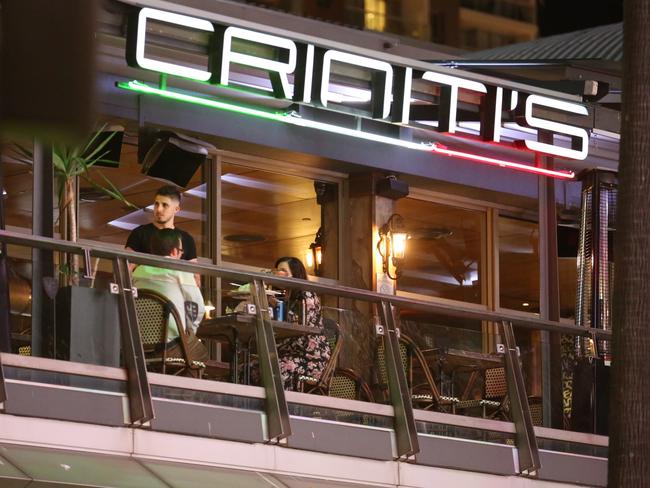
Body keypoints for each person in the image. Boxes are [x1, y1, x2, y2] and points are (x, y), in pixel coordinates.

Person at [132, 228, 208, 364]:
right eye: (181, 251)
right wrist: (190, 330)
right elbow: (196, 306)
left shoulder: (138, 271)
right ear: (174, 252)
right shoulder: (180, 271)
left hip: (139, 344)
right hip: (171, 345)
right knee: (201, 354)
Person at [272, 256, 331, 390]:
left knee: (277, 369)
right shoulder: (283, 295)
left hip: (311, 359)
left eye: (283, 270)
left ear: (295, 274)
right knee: (251, 367)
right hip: (290, 354)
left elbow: (302, 327)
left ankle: (284, 409)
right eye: (277, 270)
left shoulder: (307, 295)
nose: (279, 274)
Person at [126, 185, 197, 262]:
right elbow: (127, 266)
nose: (159, 209)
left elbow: (195, 273)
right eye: (156, 204)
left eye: (165, 205)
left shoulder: (187, 239)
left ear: (176, 209)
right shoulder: (139, 233)